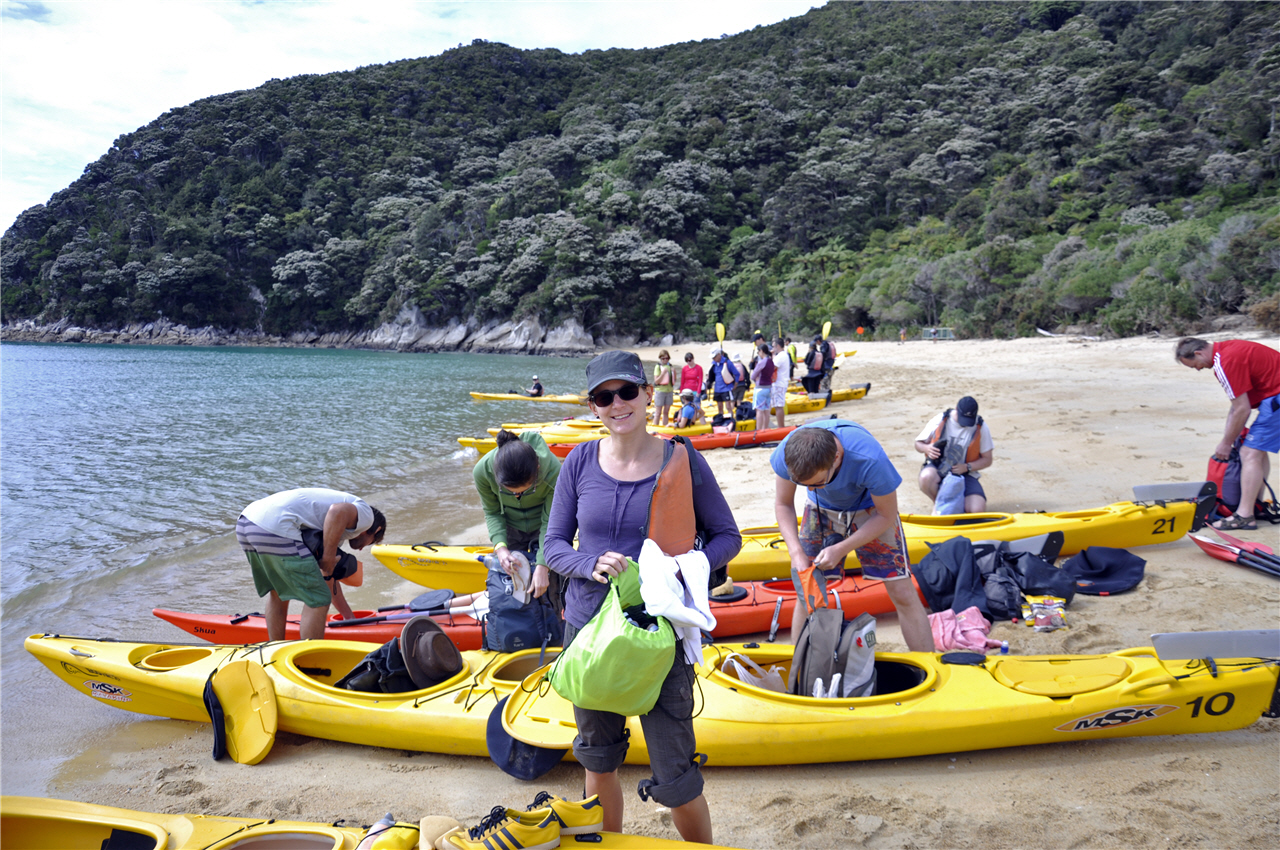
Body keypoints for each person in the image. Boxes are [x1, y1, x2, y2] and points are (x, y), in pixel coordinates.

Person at [544, 350, 741, 844]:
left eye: (627, 391)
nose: (617, 404)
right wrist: (588, 564)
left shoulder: (682, 459)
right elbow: (552, 546)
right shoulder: (578, 461)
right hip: (591, 633)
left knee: (676, 776)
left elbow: (727, 536)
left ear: (649, 394)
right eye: (603, 397)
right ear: (593, 406)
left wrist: (683, 568)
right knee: (598, 760)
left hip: (661, 636)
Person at [770, 421, 934, 652]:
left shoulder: (869, 459)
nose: (812, 489)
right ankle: (799, 667)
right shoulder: (787, 452)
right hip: (820, 511)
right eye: (805, 485)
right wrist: (796, 552)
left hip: (872, 512)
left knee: (902, 592)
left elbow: (886, 515)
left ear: (836, 458)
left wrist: (841, 548)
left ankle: (928, 662)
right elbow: (783, 503)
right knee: (807, 590)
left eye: (818, 483)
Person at [237, 488, 387, 641]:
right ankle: (309, 653)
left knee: (278, 593)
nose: (362, 548)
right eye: (372, 542)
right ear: (377, 530)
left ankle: (276, 647)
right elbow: (337, 511)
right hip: (275, 526)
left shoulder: (331, 528)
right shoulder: (367, 515)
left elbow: (328, 580)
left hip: (247, 522)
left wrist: (349, 617)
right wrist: (328, 557)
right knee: (318, 600)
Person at [1176, 337, 1280, 530]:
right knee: (1257, 451)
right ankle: (1255, 506)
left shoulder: (1224, 362)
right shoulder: (1229, 349)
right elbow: (1236, 406)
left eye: (1194, 365)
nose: (1198, 369)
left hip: (1276, 400)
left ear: (1198, 353)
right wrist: (1230, 436)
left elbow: (1242, 409)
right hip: (1273, 398)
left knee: (1249, 453)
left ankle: (1244, 515)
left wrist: (1226, 443)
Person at [473, 428, 563, 608]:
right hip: (510, 526)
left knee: (550, 588)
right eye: (510, 492)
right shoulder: (482, 471)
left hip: (544, 526)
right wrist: (500, 548)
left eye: (524, 491)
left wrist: (543, 565)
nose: (517, 496)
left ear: (537, 469)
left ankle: (554, 620)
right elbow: (492, 512)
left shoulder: (554, 471)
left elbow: (551, 522)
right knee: (509, 590)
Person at [914, 396, 994, 514]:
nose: (965, 424)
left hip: (965, 474)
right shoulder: (941, 419)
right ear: (956, 409)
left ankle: (956, 505)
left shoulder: (980, 426)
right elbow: (918, 444)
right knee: (926, 477)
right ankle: (941, 503)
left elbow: (987, 460)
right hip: (939, 468)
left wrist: (967, 467)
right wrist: (927, 448)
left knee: (976, 510)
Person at [751, 341, 776, 431]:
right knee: (766, 410)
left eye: (758, 351)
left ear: (761, 351)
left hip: (761, 387)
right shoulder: (771, 361)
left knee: (759, 410)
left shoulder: (762, 362)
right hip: (769, 387)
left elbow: (753, 376)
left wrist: (756, 379)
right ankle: (765, 428)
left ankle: (759, 430)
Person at [707, 347, 736, 419]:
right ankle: (721, 420)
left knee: (728, 406)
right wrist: (709, 383)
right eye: (712, 357)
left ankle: (731, 419)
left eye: (714, 357)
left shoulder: (728, 362)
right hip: (717, 389)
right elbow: (711, 376)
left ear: (719, 355)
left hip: (726, 388)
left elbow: (736, 374)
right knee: (720, 407)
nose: (713, 359)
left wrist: (735, 384)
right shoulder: (713, 364)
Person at [651, 350, 676, 427]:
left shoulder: (670, 367)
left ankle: (665, 426)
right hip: (660, 391)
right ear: (660, 358)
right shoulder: (658, 367)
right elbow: (656, 381)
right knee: (658, 412)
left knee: (666, 411)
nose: (665, 360)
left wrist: (674, 372)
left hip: (669, 391)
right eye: (663, 358)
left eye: (667, 358)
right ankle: (655, 428)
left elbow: (674, 380)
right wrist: (663, 373)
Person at [771, 337, 791, 429]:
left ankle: (781, 427)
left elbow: (773, 367)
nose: (773, 348)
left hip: (779, 383)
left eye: (773, 346)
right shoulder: (783, 355)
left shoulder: (781, 356)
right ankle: (781, 426)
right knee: (778, 406)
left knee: (778, 406)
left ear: (778, 346)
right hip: (781, 382)